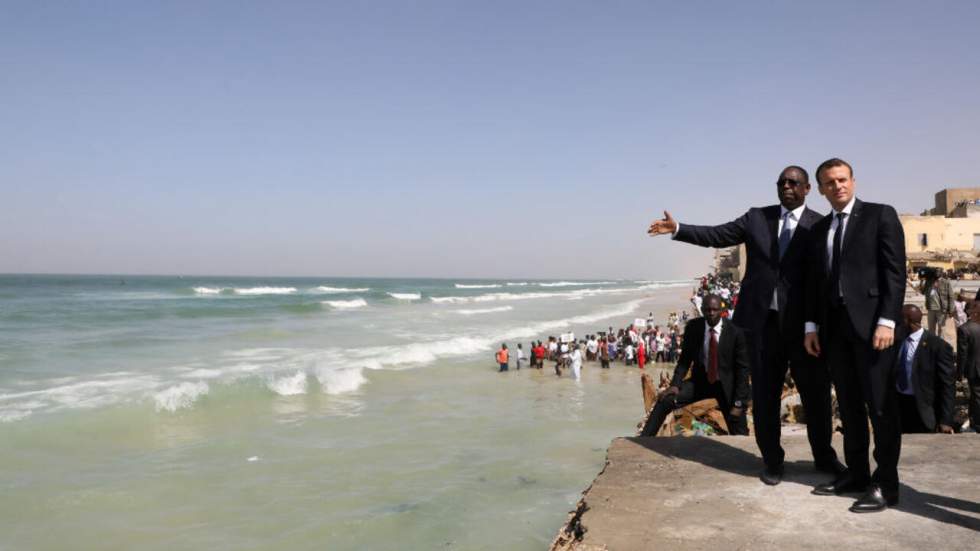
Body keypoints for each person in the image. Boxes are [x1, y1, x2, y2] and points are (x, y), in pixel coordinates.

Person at [648, 165, 840, 486]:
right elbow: (716, 235)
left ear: (807, 189)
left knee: (816, 395)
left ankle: (824, 458)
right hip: (761, 327)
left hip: (805, 328)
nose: (786, 187)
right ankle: (772, 462)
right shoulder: (756, 218)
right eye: (781, 183)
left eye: (794, 183)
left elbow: (828, 277)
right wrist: (678, 228)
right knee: (764, 396)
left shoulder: (819, 225)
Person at [804, 158, 906, 513]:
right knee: (848, 407)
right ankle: (858, 474)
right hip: (834, 332)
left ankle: (887, 484)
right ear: (820, 189)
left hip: (874, 329)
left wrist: (888, 321)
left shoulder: (880, 215)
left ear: (854, 181)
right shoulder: (819, 230)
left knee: (880, 408)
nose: (838, 186)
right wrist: (812, 326)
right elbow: (816, 284)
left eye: (843, 179)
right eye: (829, 183)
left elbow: (895, 272)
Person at [640, 295, 750, 436]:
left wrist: (739, 403)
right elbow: (685, 360)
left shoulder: (735, 332)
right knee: (664, 401)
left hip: (727, 385)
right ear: (702, 310)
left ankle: (743, 453)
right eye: (707, 309)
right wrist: (675, 384)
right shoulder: (693, 327)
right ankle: (644, 440)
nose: (711, 313)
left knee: (739, 429)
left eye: (715, 309)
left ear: (722, 310)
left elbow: (742, 370)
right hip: (701, 382)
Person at [893, 305, 955, 434]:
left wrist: (946, 420)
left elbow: (947, 385)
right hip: (899, 406)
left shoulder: (938, 346)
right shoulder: (898, 341)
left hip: (924, 410)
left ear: (907, 320)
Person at [956, 301, 980, 432]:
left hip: (974, 369)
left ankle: (976, 424)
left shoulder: (964, 329)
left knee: (976, 397)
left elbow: (962, 354)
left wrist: (959, 373)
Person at [920, 270, 954, 340]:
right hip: (931, 308)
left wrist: (951, 310)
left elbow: (951, 296)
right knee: (931, 329)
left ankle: (941, 345)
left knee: (941, 328)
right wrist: (922, 281)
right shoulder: (928, 282)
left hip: (941, 309)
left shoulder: (946, 282)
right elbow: (923, 292)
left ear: (940, 274)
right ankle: (932, 344)